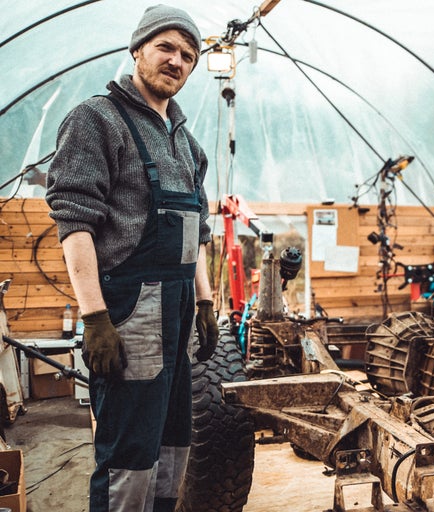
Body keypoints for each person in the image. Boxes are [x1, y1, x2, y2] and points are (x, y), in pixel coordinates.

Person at [45, 5, 218, 511]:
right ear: (137, 49)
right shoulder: (96, 119)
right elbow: (74, 223)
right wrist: (94, 316)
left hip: (180, 312)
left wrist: (205, 303)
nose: (177, 61)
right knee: (129, 454)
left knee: (172, 446)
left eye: (188, 55)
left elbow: (197, 231)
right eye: (166, 47)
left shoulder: (187, 143)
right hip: (129, 312)